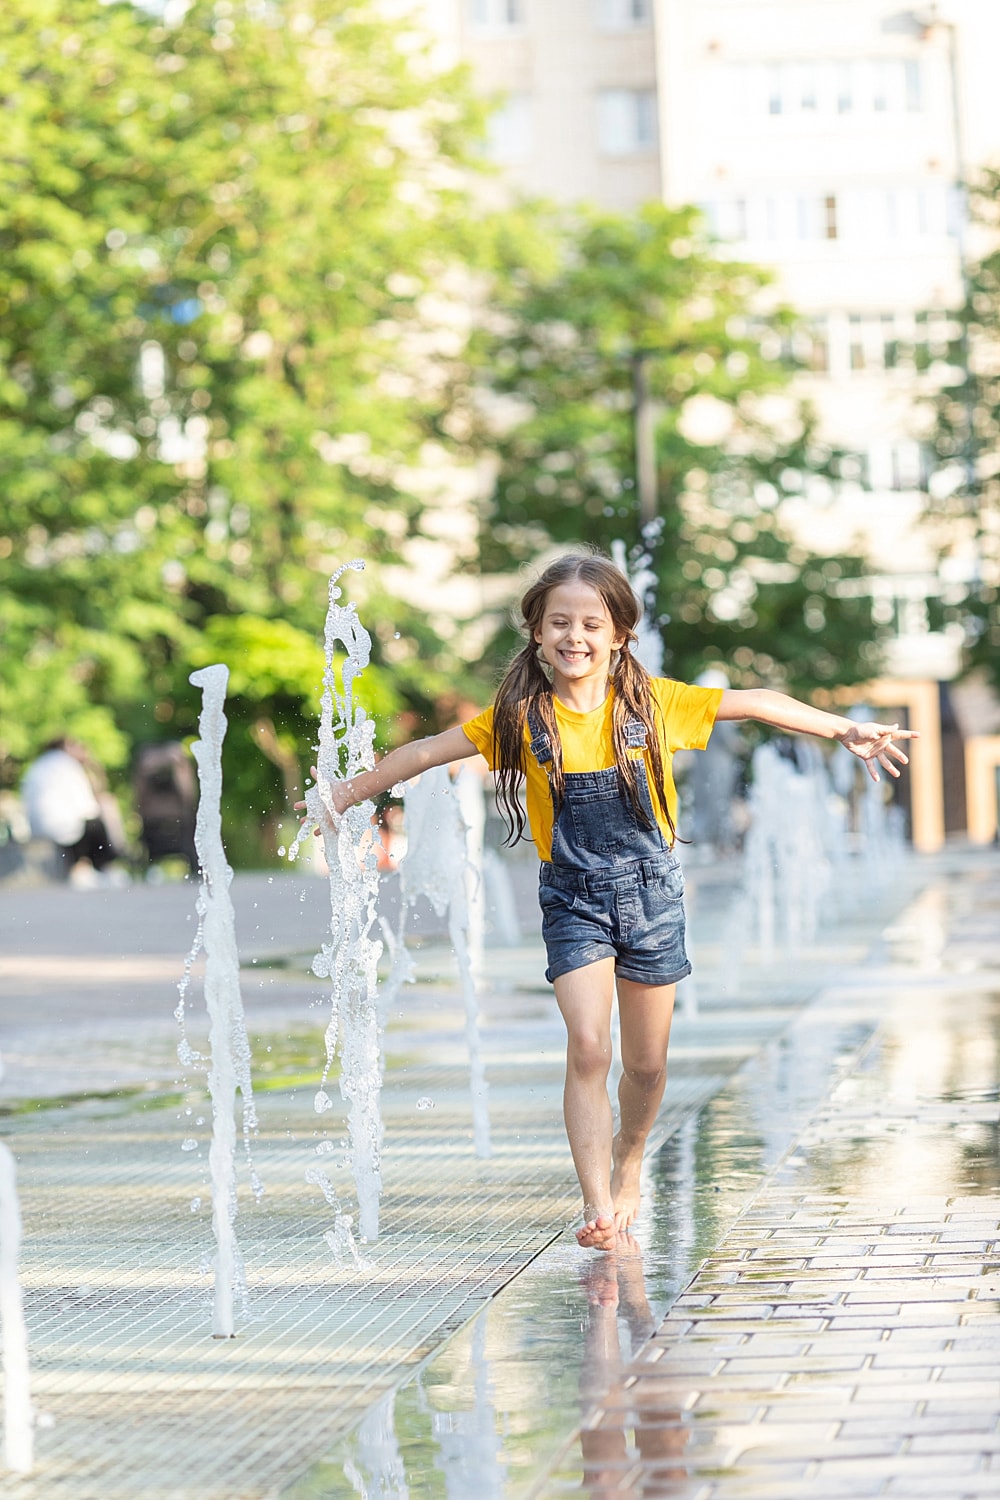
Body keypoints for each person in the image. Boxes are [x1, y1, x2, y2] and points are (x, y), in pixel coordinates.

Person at [300, 551, 917, 1251]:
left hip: (653, 897)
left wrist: (842, 729)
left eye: (592, 623)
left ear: (619, 633)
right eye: (558, 622)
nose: (575, 636)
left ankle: (630, 1160)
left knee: (647, 1065)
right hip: (572, 902)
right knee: (590, 1046)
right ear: (536, 633)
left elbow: (755, 704)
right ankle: (597, 1205)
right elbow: (423, 754)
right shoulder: (517, 719)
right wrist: (344, 794)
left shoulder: (653, 705)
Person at [21, 738, 126, 882]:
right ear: (66, 747)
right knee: (98, 820)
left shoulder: (39, 764)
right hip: (64, 829)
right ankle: (106, 866)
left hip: (38, 829)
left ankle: (86, 868)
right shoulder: (67, 764)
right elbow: (88, 807)